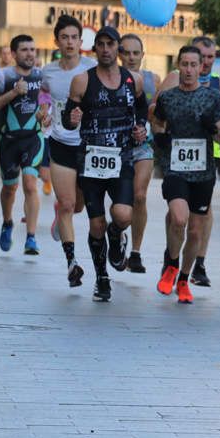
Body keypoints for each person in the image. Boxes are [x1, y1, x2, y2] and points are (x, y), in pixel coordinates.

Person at [62, 26, 148, 302]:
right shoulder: (82, 81)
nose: (106, 49)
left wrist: (141, 128)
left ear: (118, 49)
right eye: (101, 44)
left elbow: (142, 110)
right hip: (91, 162)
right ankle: (102, 277)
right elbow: (68, 116)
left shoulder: (133, 80)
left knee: (123, 215)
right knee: (96, 223)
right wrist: (71, 120)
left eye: (111, 44)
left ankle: (116, 237)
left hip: (121, 158)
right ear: (95, 48)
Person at [152, 45, 220, 304]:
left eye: (193, 65)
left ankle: (184, 279)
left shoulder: (213, 99)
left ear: (201, 68)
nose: (188, 70)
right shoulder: (168, 97)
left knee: (196, 232)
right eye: (184, 64)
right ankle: (172, 264)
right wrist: (161, 139)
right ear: (178, 65)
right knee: (178, 218)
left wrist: (212, 127)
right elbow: (158, 123)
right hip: (175, 169)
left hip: (203, 171)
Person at [42, 15, 97, 288]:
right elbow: (42, 94)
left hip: (87, 145)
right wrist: (44, 113)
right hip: (60, 142)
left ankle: (60, 218)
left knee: (78, 205)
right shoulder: (48, 72)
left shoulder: (92, 68)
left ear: (81, 40)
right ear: (57, 41)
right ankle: (72, 263)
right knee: (66, 204)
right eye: (65, 37)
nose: (70, 42)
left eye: (74, 37)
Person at [0, 34, 46, 256]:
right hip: (9, 141)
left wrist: (44, 115)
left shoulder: (42, 77)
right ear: (13, 54)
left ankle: (31, 238)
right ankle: (7, 222)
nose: (30, 54)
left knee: (30, 184)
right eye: (24, 50)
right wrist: (13, 92)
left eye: (32, 49)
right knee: (9, 188)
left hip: (33, 138)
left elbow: (48, 104)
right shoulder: (4, 76)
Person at [118, 33, 161, 274]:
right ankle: (118, 235)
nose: (131, 57)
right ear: (119, 54)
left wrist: (147, 128)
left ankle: (135, 252)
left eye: (136, 53)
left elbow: (155, 114)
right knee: (120, 201)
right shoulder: (110, 78)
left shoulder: (153, 80)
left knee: (140, 196)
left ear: (143, 55)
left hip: (143, 146)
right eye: (126, 52)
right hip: (115, 147)